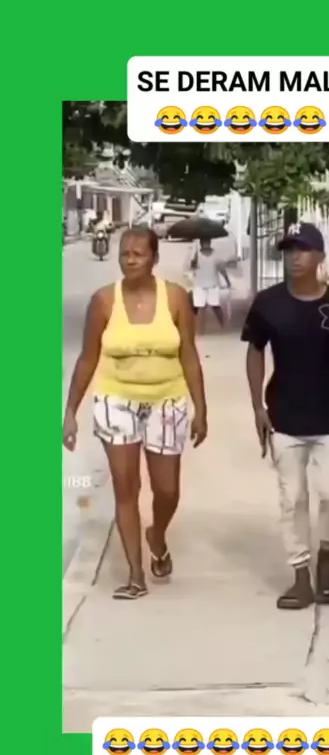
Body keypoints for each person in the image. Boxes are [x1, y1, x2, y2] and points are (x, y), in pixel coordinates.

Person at [63, 226, 207, 601]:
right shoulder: (103, 301)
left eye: (138, 254)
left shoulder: (175, 298)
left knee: (167, 489)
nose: (130, 260)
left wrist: (200, 408)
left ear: (154, 259)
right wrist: (71, 411)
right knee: (126, 489)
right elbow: (88, 358)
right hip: (117, 401)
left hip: (167, 401)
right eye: (124, 253)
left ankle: (157, 534)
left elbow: (189, 355)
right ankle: (135, 574)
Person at [241, 222, 329, 610]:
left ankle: (326, 558)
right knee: (293, 498)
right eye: (288, 250)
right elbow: (255, 351)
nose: (294, 257)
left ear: (319, 256)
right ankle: (300, 575)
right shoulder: (268, 303)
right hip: (284, 417)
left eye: (302, 249)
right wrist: (258, 407)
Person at [189, 238, 231, 333]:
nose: (206, 244)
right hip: (199, 285)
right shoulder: (196, 255)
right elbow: (191, 268)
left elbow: (222, 269)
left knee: (216, 306)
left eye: (207, 242)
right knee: (199, 307)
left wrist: (227, 280)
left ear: (210, 243)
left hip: (213, 284)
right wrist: (193, 261)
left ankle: (224, 326)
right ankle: (199, 329)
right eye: (204, 242)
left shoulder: (216, 255)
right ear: (201, 244)